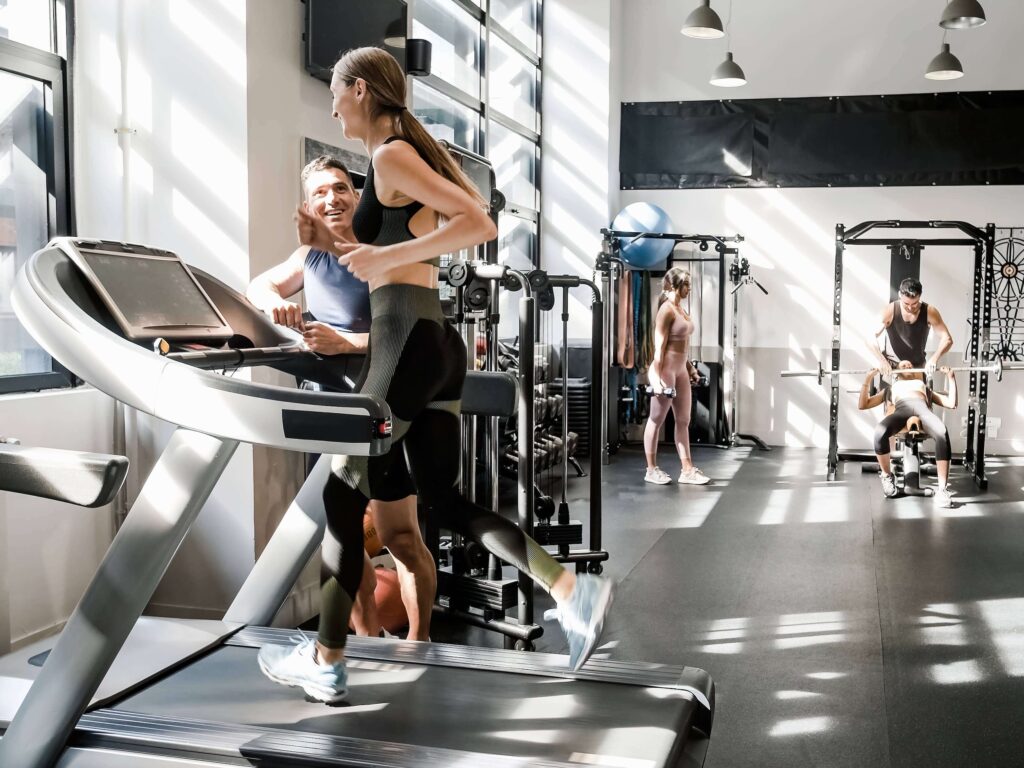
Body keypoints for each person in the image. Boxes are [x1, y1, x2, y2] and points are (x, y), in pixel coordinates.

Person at [257, 46, 613, 704]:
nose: (332, 111)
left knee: (341, 497)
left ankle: (327, 661)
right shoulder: (399, 154)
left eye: (335, 96)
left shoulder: (391, 155)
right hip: (434, 342)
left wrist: (385, 257)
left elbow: (476, 221)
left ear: (359, 91)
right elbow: (444, 221)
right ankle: (570, 589)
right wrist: (356, 249)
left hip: (404, 338)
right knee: (443, 503)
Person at [246, 156, 435, 642]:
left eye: (339, 188)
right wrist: (276, 303)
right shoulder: (310, 255)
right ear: (308, 206)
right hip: (328, 415)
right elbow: (259, 285)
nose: (331, 199)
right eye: (319, 193)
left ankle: (420, 645)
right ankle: (369, 647)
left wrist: (344, 343)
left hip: (384, 411)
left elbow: (416, 332)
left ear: (356, 195)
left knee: (400, 537)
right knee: (342, 540)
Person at [643, 267, 710, 486]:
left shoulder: (681, 309)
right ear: (673, 286)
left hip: (681, 370)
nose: (689, 288)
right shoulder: (666, 310)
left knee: (683, 420)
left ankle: (687, 470)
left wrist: (690, 369)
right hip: (666, 370)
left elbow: (682, 347)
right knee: (656, 419)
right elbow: (659, 350)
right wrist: (656, 380)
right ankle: (651, 469)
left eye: (689, 284)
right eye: (686, 284)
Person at [858, 361, 957, 507]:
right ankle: (887, 476)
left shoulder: (923, 386)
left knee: (942, 432)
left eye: (910, 365)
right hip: (901, 411)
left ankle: (942, 490)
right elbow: (863, 404)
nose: (908, 366)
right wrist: (868, 378)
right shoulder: (891, 389)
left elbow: (951, 403)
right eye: (903, 365)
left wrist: (951, 377)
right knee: (879, 432)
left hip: (923, 410)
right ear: (896, 372)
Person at [869, 277, 953, 378]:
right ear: (900, 295)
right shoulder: (889, 310)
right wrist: (882, 361)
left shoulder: (930, 312)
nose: (910, 307)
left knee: (919, 388)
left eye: (914, 304)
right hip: (892, 369)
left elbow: (947, 339)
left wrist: (934, 358)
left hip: (917, 369)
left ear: (919, 296)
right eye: (906, 303)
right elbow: (870, 337)